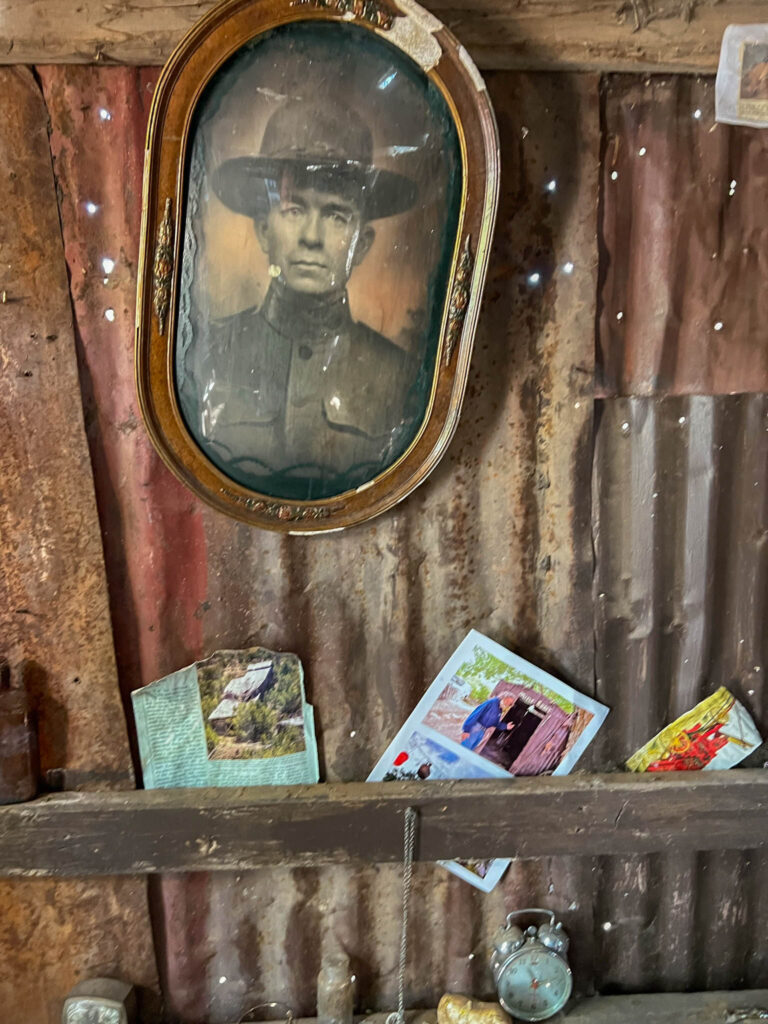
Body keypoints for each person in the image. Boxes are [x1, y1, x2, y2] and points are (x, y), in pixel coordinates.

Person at [178, 98, 422, 502]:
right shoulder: (208, 356)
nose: (312, 236)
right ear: (262, 231)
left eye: (336, 215)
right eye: (293, 210)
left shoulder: (400, 377)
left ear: (361, 246)